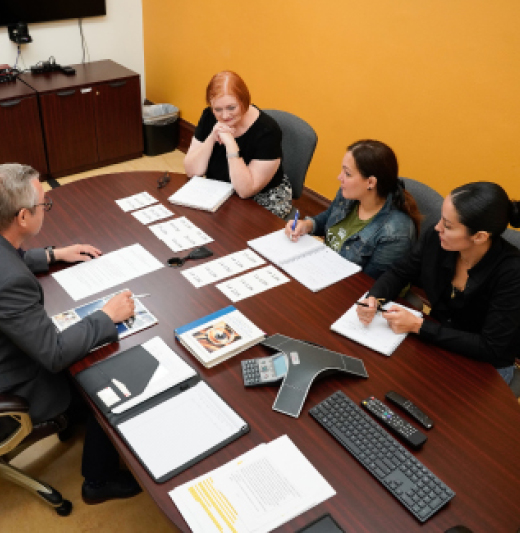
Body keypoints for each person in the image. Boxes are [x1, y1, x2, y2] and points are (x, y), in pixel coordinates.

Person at [0, 163, 141, 504]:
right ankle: (98, 480)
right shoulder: (11, 283)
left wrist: (51, 254)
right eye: (43, 205)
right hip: (15, 387)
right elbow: (55, 353)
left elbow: (10, 257)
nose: (45, 210)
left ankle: (75, 420)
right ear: (22, 217)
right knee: (111, 370)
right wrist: (106, 316)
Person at [357, 181, 520, 385]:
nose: (437, 227)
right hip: (437, 341)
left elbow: (490, 347)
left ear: (479, 237)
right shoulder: (437, 240)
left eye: (448, 225)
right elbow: (400, 272)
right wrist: (374, 298)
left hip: (485, 366)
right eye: (442, 219)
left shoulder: (512, 272)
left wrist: (419, 326)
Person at [285, 139, 421, 279]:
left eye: (348, 174)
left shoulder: (395, 233)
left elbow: (367, 284)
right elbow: (329, 217)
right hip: (324, 269)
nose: (340, 177)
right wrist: (307, 225)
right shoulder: (349, 194)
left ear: (370, 182)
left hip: (350, 287)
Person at [184, 70, 292, 218]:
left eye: (231, 108)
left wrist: (231, 144)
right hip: (220, 191)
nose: (225, 116)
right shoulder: (209, 117)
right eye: (218, 109)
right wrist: (211, 137)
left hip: (262, 198)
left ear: (244, 101)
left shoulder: (268, 131)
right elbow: (192, 170)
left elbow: (245, 191)